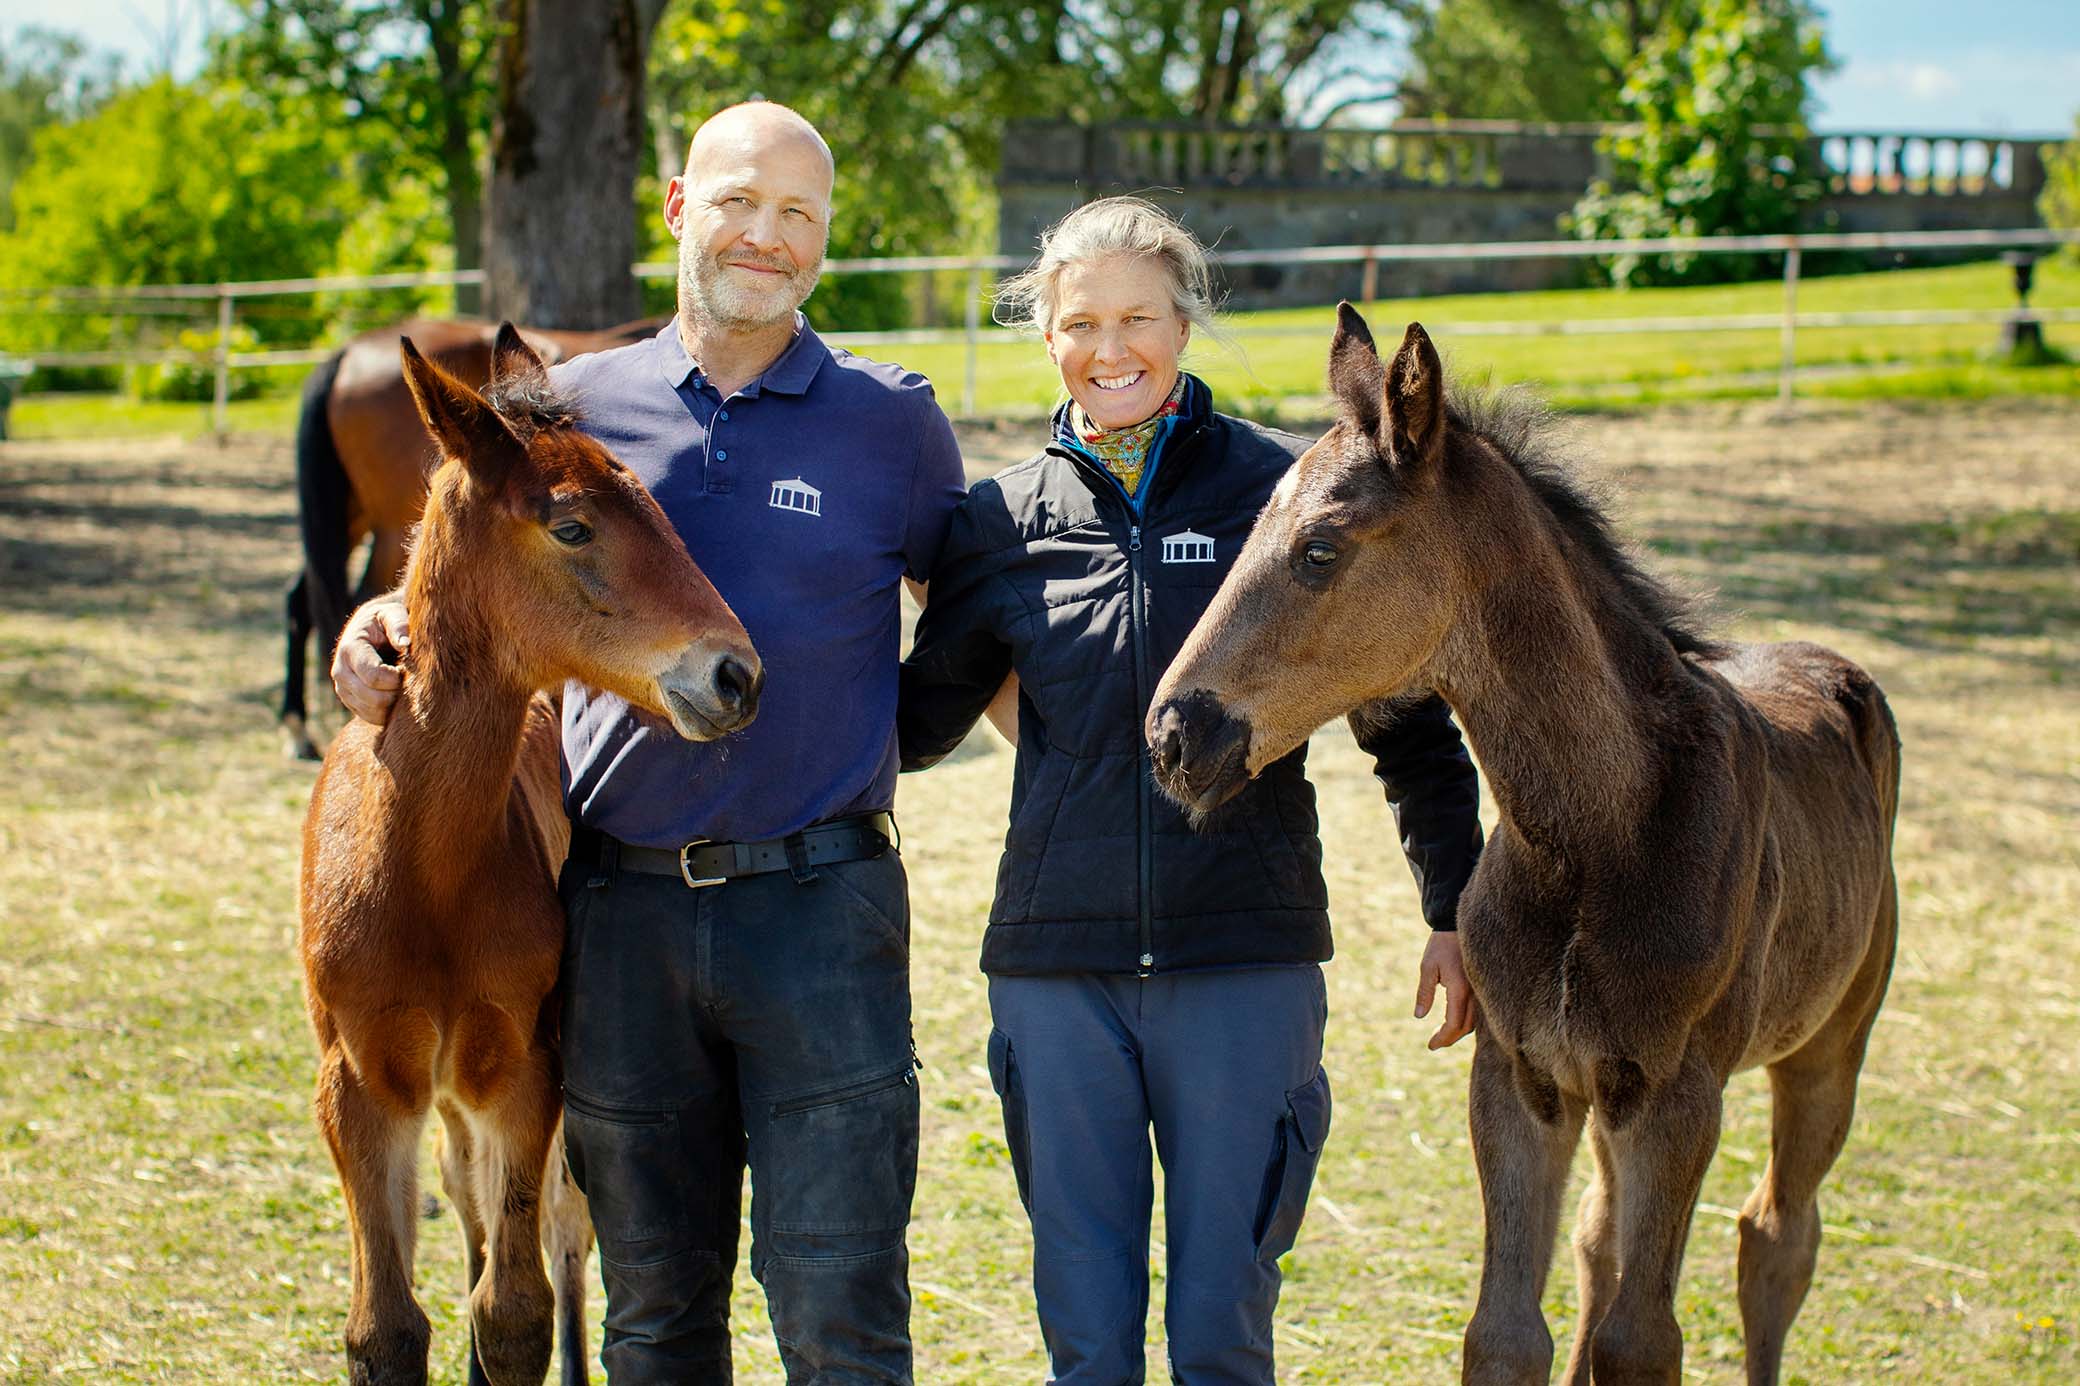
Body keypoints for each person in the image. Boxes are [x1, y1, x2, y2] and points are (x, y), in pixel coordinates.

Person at [329, 101, 966, 1384]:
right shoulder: (578, 406)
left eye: (799, 213)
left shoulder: (889, 420)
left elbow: (978, 616)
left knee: (841, 1301)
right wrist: (378, 618)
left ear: (827, 238)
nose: (767, 236)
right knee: (652, 1310)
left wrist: (880, 741)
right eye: (739, 201)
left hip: (822, 908)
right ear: (679, 207)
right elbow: (490, 557)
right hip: (621, 912)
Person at [897, 197, 1483, 1385]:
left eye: (1137, 318)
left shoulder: (1283, 497)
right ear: (1044, 337)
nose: (1109, 348)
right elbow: (913, 731)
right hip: (1057, 974)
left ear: (1184, 322)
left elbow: (1407, 726)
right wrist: (872, 584)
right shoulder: (997, 523)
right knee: (1088, 1341)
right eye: (1078, 323)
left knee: (1221, 1334)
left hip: (1244, 957)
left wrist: (1452, 907)